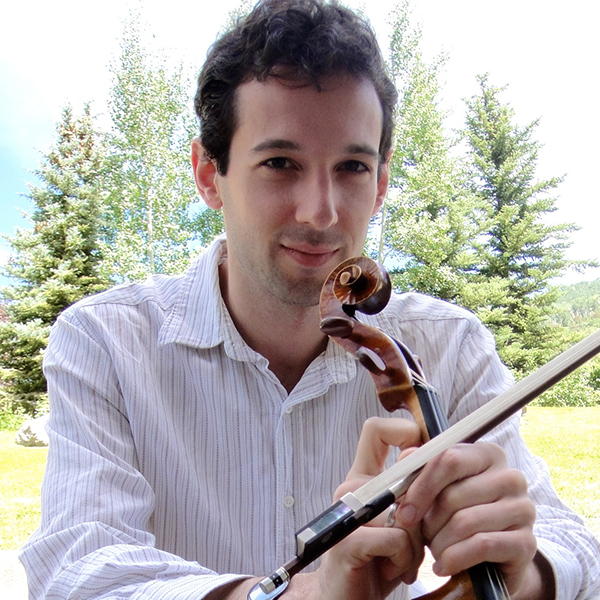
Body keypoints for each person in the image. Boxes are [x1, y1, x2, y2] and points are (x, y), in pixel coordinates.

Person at [21, 1, 600, 599]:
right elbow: (77, 571)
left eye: (351, 166)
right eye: (280, 162)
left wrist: (526, 571)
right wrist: (308, 594)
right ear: (207, 172)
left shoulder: (448, 343)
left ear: (379, 184)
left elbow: (574, 543)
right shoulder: (105, 340)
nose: (321, 212)